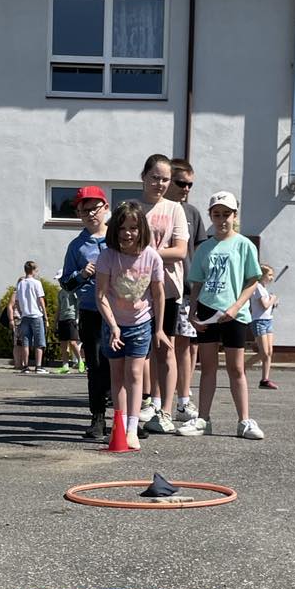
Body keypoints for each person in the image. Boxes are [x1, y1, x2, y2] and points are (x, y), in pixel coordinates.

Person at [179, 192, 264, 439]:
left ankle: (244, 421)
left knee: (236, 368)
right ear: (211, 216)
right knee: (207, 367)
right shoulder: (204, 247)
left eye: (226, 213)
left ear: (234, 215)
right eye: (216, 214)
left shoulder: (244, 245)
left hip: (234, 314)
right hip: (207, 311)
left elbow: (252, 281)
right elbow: (196, 284)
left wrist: (236, 307)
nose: (221, 219)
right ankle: (203, 419)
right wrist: (193, 313)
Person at [95, 202, 166, 452]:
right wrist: (113, 326)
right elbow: (101, 295)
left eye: (134, 228)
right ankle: (120, 425)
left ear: (141, 230)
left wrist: (158, 328)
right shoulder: (107, 256)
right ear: (115, 229)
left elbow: (158, 295)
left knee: (135, 374)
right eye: (123, 228)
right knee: (117, 376)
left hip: (141, 324)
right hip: (114, 324)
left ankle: (133, 428)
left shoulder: (152, 257)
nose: (128, 233)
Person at [137, 154, 189, 436]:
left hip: (168, 290)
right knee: (140, 351)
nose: (159, 183)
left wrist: (146, 255)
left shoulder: (174, 209)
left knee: (165, 348)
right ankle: (144, 403)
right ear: (143, 176)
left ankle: (166, 411)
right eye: (155, 177)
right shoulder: (131, 208)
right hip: (135, 291)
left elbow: (180, 250)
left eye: (165, 179)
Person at [60, 188, 111, 440]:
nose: (90, 214)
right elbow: (66, 283)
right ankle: (98, 418)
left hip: (122, 311)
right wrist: (82, 274)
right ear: (78, 214)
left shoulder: (119, 237)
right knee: (96, 365)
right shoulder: (77, 246)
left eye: (95, 208)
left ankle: (129, 419)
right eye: (84, 210)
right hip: (91, 311)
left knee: (124, 366)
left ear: (106, 207)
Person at [165, 158, 206, 423]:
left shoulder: (192, 213)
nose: (186, 188)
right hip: (163, 288)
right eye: (181, 183)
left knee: (187, 347)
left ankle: (183, 399)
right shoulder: (159, 210)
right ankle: (157, 400)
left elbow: (201, 251)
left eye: (190, 184)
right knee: (165, 345)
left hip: (188, 290)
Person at [12, 261, 48, 375]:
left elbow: (16, 301)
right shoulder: (37, 283)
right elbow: (41, 300)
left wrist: (22, 311)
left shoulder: (20, 283)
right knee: (39, 342)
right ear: (33, 270)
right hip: (36, 315)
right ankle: (38, 366)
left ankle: (25, 366)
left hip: (25, 316)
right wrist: (46, 315)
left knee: (25, 342)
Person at [248, 264, 279, 388]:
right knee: (264, 352)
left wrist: (274, 303)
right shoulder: (258, 287)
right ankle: (243, 368)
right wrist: (272, 299)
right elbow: (264, 305)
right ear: (262, 275)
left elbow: (268, 306)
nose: (271, 277)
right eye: (269, 275)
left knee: (269, 352)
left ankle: (265, 379)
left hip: (268, 320)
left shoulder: (264, 288)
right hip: (259, 321)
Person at [52, 283, 84, 375]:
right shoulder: (60, 292)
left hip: (71, 318)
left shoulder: (73, 291)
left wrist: (77, 318)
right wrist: (55, 322)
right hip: (62, 319)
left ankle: (80, 361)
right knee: (63, 344)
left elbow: (78, 304)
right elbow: (59, 307)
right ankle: (65, 365)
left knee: (73, 342)